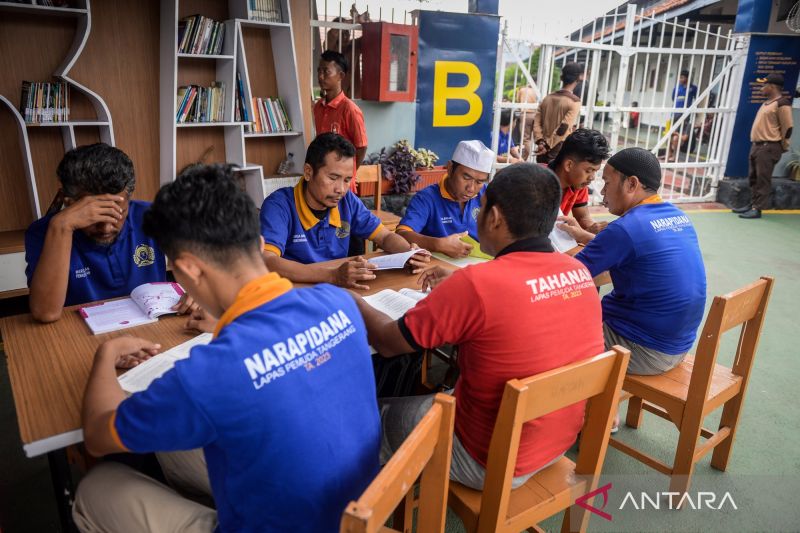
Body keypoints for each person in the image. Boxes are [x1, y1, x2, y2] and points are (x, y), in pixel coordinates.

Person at [72, 164, 381, 532]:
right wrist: (226, 326)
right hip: (360, 510)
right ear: (253, 239)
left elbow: (97, 435)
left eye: (178, 274)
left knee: (96, 487)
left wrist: (105, 357)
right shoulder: (338, 303)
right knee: (183, 441)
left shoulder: (208, 374)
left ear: (190, 268)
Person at [354, 163, 604, 490]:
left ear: (495, 217)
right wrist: (461, 280)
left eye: (482, 207)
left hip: (486, 456)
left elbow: (388, 342)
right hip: (556, 441)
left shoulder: (478, 285)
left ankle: (360, 503)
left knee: (364, 419)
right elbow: (518, 291)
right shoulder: (579, 273)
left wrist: (351, 301)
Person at [559, 147, 706, 379]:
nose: (603, 191)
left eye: (607, 182)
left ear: (631, 184)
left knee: (555, 333)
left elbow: (567, 277)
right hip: (677, 345)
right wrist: (584, 236)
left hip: (642, 349)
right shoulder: (677, 216)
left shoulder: (625, 229)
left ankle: (593, 409)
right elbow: (634, 249)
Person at [24, 143, 193, 323]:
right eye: (93, 218)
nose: (106, 229)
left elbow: (203, 263)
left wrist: (197, 292)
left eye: (116, 214)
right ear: (69, 203)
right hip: (77, 334)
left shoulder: (151, 216)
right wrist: (62, 226)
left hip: (152, 326)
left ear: (128, 200)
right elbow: (45, 313)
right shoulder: (46, 232)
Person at [260, 133, 428, 289]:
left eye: (347, 180)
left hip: (339, 289)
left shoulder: (347, 201)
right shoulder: (279, 206)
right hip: (298, 292)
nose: (341, 189)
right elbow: (268, 260)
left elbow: (385, 236)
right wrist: (332, 275)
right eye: (333, 178)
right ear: (308, 172)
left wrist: (409, 253)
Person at [396, 140, 495, 258]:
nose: (471, 188)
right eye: (466, 177)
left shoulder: (488, 194)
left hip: (480, 267)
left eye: (479, 182)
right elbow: (402, 234)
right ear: (450, 168)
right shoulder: (427, 198)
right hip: (436, 269)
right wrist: (437, 244)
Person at [733, 74, 794, 219]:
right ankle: (752, 204)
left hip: (768, 146)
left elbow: (788, 127)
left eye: (764, 85)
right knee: (753, 177)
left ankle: (757, 208)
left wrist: (782, 146)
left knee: (763, 179)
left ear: (772, 86)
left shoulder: (782, 103)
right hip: (758, 145)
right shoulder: (768, 102)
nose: (762, 88)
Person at [314, 50, 368, 193]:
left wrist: (347, 175)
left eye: (326, 72)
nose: (320, 76)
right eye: (319, 71)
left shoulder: (350, 109)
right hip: (322, 183)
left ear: (341, 76)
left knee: (343, 216)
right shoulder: (318, 107)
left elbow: (361, 147)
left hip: (342, 188)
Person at [549, 129, 610, 234]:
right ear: (569, 165)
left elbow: (583, 217)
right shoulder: (538, 181)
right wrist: (585, 234)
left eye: (595, 171)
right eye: (588, 171)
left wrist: (596, 229)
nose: (592, 177)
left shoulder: (578, 184)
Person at [533, 62, 584, 164]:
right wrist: (548, 146)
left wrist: (541, 142)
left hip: (542, 147)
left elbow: (536, 122)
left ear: (562, 78)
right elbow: (563, 128)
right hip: (558, 148)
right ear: (578, 78)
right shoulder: (574, 101)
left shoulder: (548, 98)